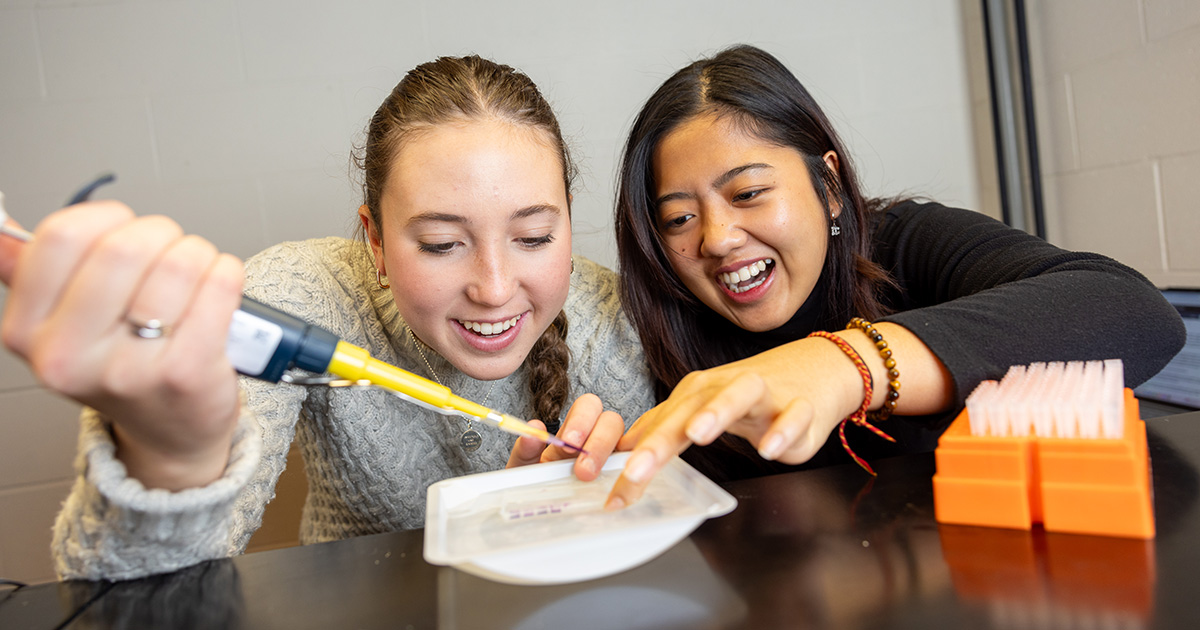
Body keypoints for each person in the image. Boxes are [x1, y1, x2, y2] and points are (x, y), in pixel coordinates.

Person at [0, 55, 652, 580]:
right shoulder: (297, 294)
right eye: (441, 244)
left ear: (568, 221)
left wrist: (590, 510)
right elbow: (123, 583)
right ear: (375, 241)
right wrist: (170, 453)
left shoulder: (613, 317)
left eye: (534, 236)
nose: (494, 286)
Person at [601, 44, 1186, 509]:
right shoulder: (643, 332)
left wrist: (845, 365)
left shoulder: (904, 241)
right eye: (679, 218)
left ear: (828, 186)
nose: (717, 238)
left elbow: (1132, 310)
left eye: (748, 193)